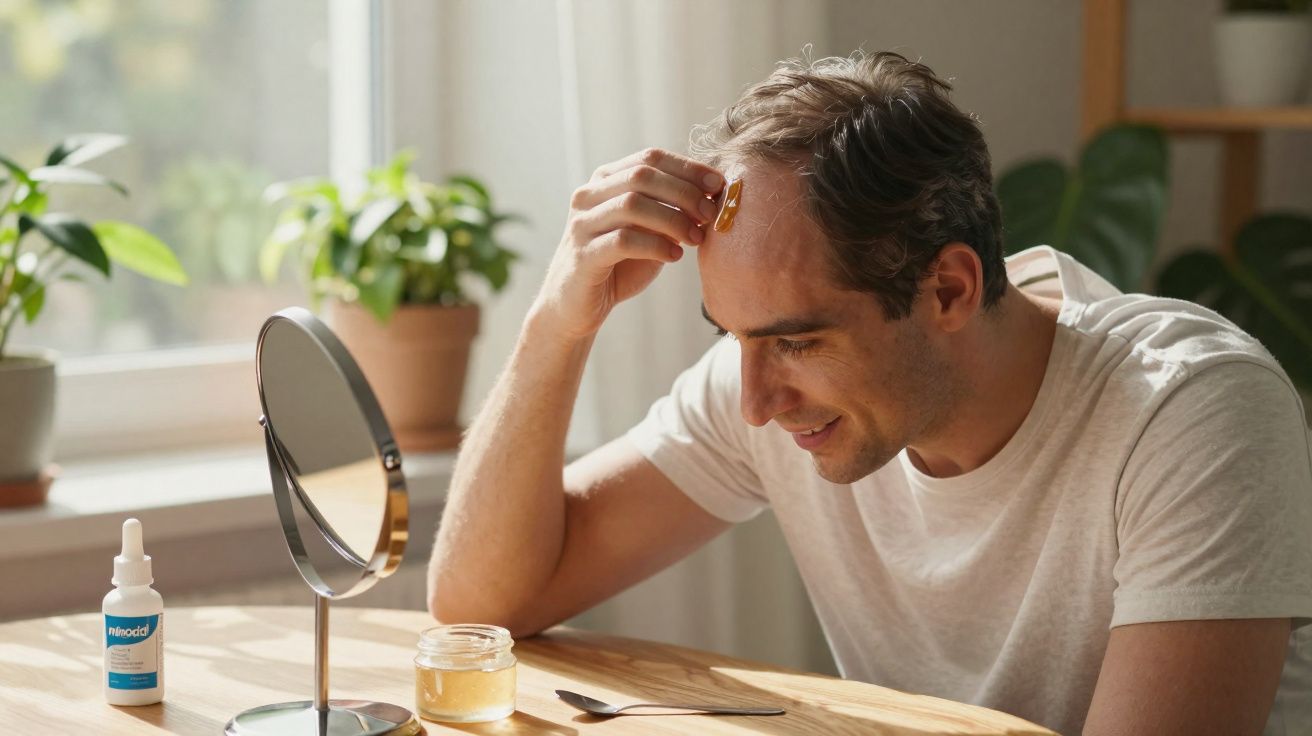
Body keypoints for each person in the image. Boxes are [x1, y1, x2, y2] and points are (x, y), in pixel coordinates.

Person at [426, 50, 1312, 734]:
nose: (755, 402)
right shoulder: (771, 381)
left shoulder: (1189, 410)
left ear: (949, 289)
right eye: (731, 335)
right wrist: (556, 323)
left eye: (797, 342)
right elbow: (484, 608)